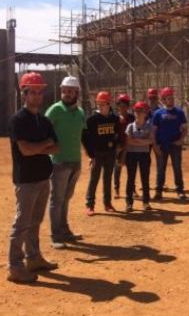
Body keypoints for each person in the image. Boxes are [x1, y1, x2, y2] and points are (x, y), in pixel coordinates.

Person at [7, 73, 60, 283]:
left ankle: (34, 257)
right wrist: (43, 146)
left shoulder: (44, 120)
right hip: (26, 179)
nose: (37, 95)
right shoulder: (18, 120)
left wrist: (41, 147)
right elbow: (25, 150)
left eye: (40, 91)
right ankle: (15, 266)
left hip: (42, 177)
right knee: (22, 223)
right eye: (33, 92)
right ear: (24, 94)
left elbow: (57, 146)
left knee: (35, 221)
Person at [46, 75, 86, 249]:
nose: (66, 94)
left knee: (66, 198)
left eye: (70, 91)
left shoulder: (80, 112)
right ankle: (56, 235)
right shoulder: (55, 110)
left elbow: (84, 136)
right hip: (59, 162)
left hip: (75, 161)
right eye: (64, 91)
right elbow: (43, 130)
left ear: (77, 92)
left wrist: (91, 154)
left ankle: (64, 230)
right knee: (57, 199)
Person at [83, 91, 120, 215]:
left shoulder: (114, 118)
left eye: (104, 103)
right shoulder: (92, 119)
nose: (101, 106)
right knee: (94, 179)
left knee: (107, 178)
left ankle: (107, 203)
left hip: (110, 153)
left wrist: (116, 148)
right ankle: (90, 205)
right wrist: (90, 155)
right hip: (97, 153)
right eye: (99, 103)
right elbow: (85, 138)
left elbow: (118, 134)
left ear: (109, 104)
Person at [152, 87, 187, 201]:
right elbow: (153, 131)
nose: (171, 100)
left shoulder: (179, 112)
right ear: (163, 99)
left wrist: (181, 140)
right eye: (168, 98)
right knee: (161, 168)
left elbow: (184, 129)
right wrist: (155, 146)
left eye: (172, 97)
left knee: (177, 168)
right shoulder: (158, 114)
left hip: (175, 145)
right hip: (162, 145)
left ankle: (180, 190)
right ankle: (158, 191)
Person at [124, 101, 154, 212]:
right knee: (130, 179)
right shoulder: (130, 126)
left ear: (145, 113)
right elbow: (128, 141)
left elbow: (151, 140)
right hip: (131, 154)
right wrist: (143, 141)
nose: (138, 113)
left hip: (144, 155)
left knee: (145, 179)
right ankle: (129, 203)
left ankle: (146, 202)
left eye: (141, 111)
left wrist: (137, 141)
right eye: (136, 111)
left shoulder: (149, 126)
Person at [113, 93, 135, 199]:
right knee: (117, 169)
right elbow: (113, 133)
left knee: (131, 169)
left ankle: (133, 189)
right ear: (117, 106)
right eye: (120, 105)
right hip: (119, 146)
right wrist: (117, 147)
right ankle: (116, 189)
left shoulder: (132, 118)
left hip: (130, 146)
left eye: (125, 105)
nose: (122, 107)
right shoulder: (115, 118)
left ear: (128, 106)